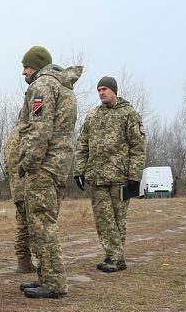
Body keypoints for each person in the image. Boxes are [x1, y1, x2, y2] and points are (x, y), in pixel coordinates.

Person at [16, 46, 82, 299]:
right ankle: (45, 276)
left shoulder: (42, 86)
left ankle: (54, 283)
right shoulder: (64, 87)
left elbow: (40, 128)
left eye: (26, 66)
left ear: (37, 65)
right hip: (59, 164)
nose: (23, 72)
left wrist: (28, 162)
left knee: (42, 224)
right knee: (42, 221)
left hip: (43, 165)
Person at [74, 76, 146, 273]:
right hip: (97, 178)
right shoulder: (93, 115)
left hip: (120, 178)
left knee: (118, 220)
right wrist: (79, 170)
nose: (101, 93)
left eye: (104, 89)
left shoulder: (128, 114)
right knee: (103, 219)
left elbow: (138, 147)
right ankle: (115, 257)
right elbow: (82, 145)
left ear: (114, 90)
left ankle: (115, 257)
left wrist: (135, 177)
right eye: (98, 90)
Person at [3, 121, 36, 273]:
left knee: (23, 227)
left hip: (17, 189)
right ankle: (46, 264)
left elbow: (6, 167)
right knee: (37, 226)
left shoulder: (11, 135)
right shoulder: (30, 132)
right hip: (30, 186)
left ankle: (23, 262)